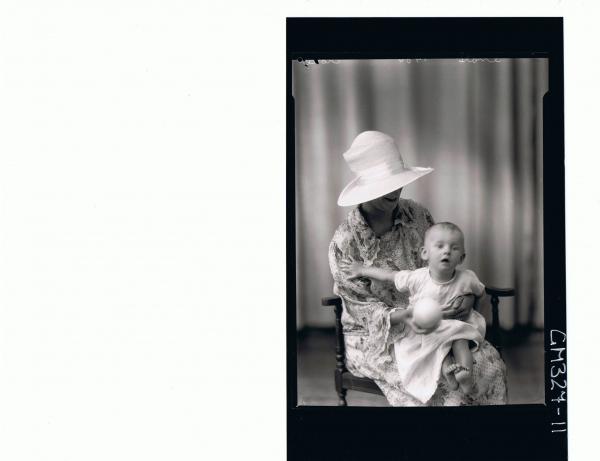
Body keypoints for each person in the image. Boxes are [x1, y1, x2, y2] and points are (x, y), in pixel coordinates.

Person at [328, 130, 507, 406]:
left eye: (396, 181)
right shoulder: (346, 241)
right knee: (439, 385)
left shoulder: (418, 215)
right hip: (377, 337)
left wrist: (464, 298)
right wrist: (409, 315)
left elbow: (440, 270)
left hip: (435, 322)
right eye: (384, 185)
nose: (395, 191)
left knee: (487, 363)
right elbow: (361, 309)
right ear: (365, 188)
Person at [341, 222, 487, 404]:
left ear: (462, 257)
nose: (447, 251)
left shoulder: (467, 278)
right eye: (440, 246)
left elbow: (482, 293)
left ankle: (465, 375)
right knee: (432, 346)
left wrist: (472, 302)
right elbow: (389, 276)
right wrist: (362, 270)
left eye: (454, 248)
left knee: (460, 341)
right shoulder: (418, 277)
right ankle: (448, 370)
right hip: (427, 327)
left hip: (454, 325)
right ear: (425, 253)